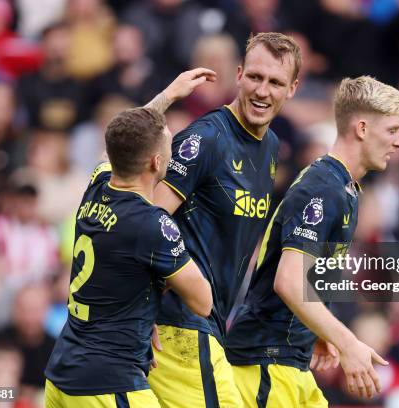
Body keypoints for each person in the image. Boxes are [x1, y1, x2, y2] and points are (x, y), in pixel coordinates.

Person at [225, 76, 399, 406]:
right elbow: (289, 281)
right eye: (392, 130)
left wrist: (318, 330)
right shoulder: (322, 188)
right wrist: (349, 342)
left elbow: (310, 278)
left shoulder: (345, 189)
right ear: (363, 128)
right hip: (265, 361)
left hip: (289, 360)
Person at [44, 68, 215, 407]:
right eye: (168, 143)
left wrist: (167, 96)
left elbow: (124, 139)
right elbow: (203, 301)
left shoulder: (97, 181)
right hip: (109, 382)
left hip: (63, 374)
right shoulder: (153, 225)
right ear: (156, 161)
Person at [149, 32, 301, 407]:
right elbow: (144, 220)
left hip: (213, 325)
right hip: (177, 325)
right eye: (255, 77)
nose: (262, 91)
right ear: (238, 75)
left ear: (293, 88)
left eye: (276, 82)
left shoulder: (270, 146)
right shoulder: (206, 138)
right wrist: (137, 306)